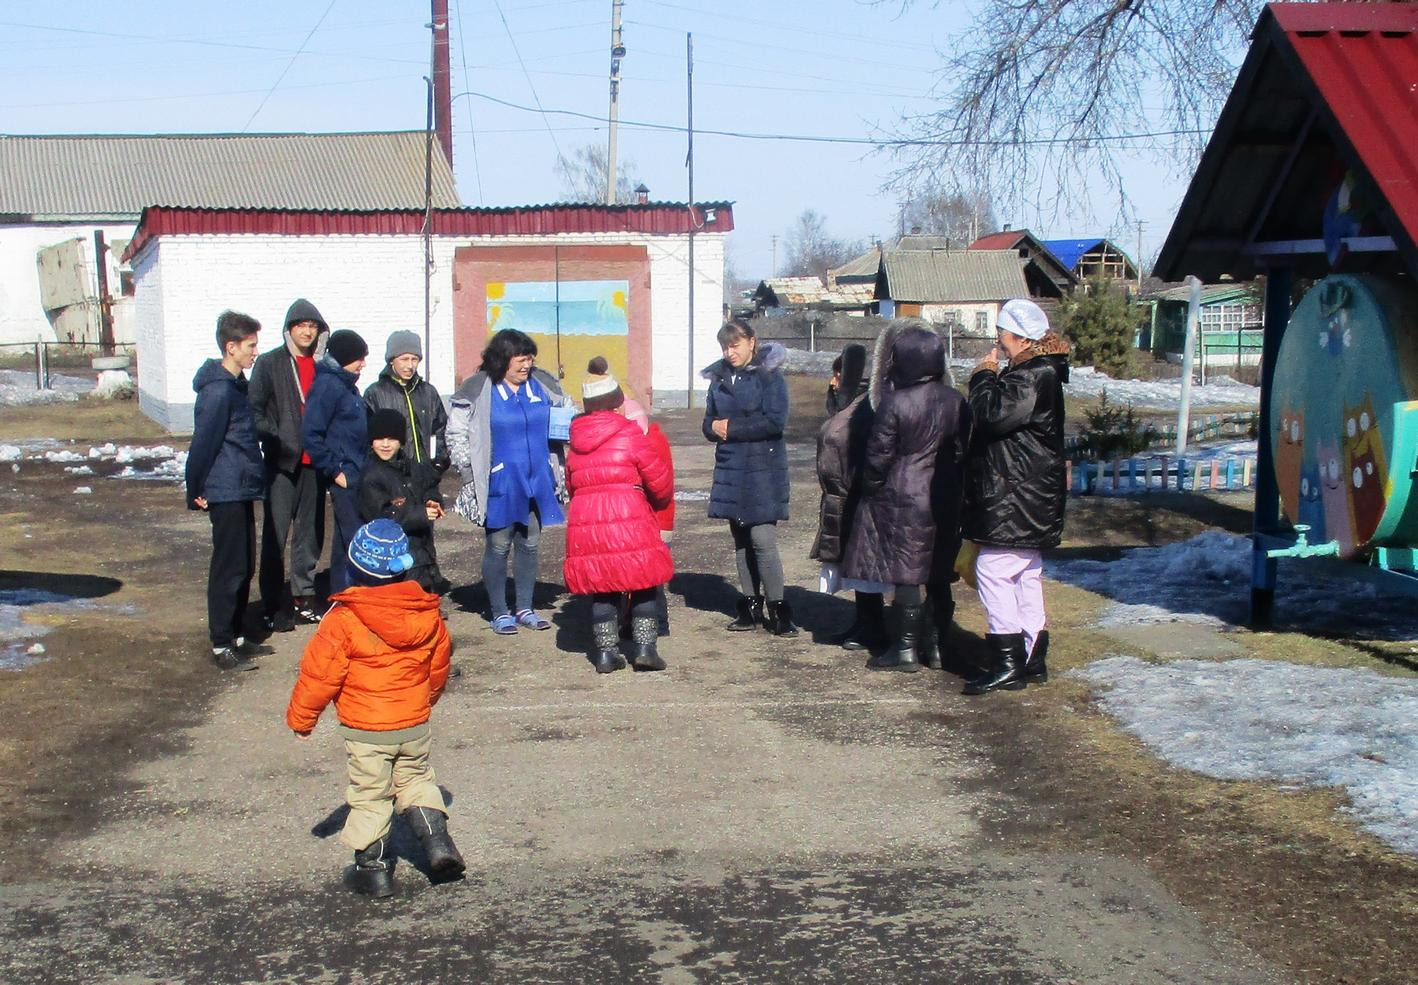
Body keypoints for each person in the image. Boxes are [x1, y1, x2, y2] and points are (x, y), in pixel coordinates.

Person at [286, 519, 462, 898]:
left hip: (366, 729)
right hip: (413, 723)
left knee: (371, 795)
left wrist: (302, 718)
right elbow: (437, 666)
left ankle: (373, 870)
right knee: (415, 780)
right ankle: (438, 845)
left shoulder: (343, 619)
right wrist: (425, 700)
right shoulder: (425, 611)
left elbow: (320, 676)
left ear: (354, 569)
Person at [842, 319, 971, 673]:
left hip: (903, 496)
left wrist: (871, 489)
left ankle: (905, 649)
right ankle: (937, 644)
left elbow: (878, 457)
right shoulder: (957, 400)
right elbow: (964, 449)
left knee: (908, 573)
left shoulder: (895, 403)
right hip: (944, 495)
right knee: (939, 571)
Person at [961, 298, 1070, 695]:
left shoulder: (1031, 376)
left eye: (1001, 336)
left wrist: (983, 375)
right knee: (1025, 573)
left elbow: (989, 416)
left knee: (994, 569)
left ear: (1016, 337)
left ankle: (1008, 661)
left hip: (1016, 494)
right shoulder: (1041, 373)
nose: (998, 344)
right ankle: (1031, 656)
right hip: (1027, 493)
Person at [448, 329, 575, 634]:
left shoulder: (541, 384)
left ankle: (525, 608)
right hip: (500, 481)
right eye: (520, 359)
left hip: (537, 479)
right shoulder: (480, 388)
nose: (526, 365)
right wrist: (470, 472)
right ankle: (499, 611)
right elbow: (457, 433)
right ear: (502, 359)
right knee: (499, 544)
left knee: (530, 544)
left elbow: (568, 416)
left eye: (530, 359)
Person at [563, 359, 674, 673]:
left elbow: (571, 485)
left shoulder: (576, 442)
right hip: (630, 517)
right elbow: (660, 483)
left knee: (602, 584)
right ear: (615, 404)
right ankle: (644, 649)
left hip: (588, 523)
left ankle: (605, 653)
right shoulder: (630, 434)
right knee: (643, 580)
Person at [702, 318, 798, 637]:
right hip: (731, 468)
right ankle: (750, 608)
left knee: (763, 540)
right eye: (725, 346)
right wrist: (712, 429)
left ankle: (780, 610)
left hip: (763, 469)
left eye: (735, 345)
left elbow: (775, 421)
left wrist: (732, 429)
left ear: (752, 342)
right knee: (741, 539)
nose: (730, 352)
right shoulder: (718, 378)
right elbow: (708, 422)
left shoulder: (770, 376)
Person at [184, 310, 265, 670]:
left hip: (241, 484)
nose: (255, 352)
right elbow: (204, 444)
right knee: (228, 567)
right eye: (250, 346)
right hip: (225, 487)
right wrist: (195, 487)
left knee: (245, 563)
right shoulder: (217, 392)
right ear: (231, 347)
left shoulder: (236, 387)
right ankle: (221, 643)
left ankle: (237, 635)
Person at [249, 299, 329, 631]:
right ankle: (272, 603)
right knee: (275, 535)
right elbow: (254, 409)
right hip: (282, 463)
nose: (307, 331)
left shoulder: (324, 366)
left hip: (315, 463)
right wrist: (276, 440)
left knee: (310, 535)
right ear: (289, 329)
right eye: (301, 326)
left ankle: (304, 598)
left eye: (313, 326)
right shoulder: (270, 364)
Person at [810, 343, 887, 651]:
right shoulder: (850, 408)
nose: (832, 381)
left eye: (838, 374)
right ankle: (863, 621)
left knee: (864, 564)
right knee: (853, 564)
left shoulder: (865, 411)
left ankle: (873, 627)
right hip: (841, 496)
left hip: (856, 496)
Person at [302, 329, 371, 597]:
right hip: (345, 474)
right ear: (344, 358)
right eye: (359, 358)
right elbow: (311, 433)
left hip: (357, 471)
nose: (363, 364)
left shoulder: (346, 384)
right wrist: (334, 470)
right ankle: (352, 597)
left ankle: (342, 596)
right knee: (354, 540)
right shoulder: (328, 386)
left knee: (345, 542)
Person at [358, 408, 447, 595]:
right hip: (389, 562)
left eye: (392, 439)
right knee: (399, 612)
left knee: (424, 610)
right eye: (379, 439)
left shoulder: (413, 467)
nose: (385, 444)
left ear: (401, 441)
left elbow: (430, 484)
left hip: (421, 557)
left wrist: (432, 501)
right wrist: (420, 514)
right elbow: (381, 517)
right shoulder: (370, 476)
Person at [364, 330, 449, 474]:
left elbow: (440, 430)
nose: (410, 365)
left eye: (414, 359)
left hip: (425, 475)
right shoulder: (375, 393)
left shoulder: (428, 392)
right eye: (404, 359)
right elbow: (367, 437)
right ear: (392, 360)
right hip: (389, 476)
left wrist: (438, 463)